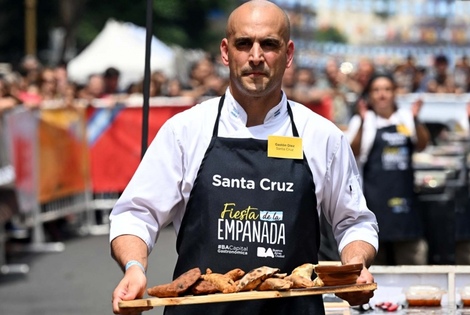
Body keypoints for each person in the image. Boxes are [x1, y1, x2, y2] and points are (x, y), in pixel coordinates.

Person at [110, 1, 378, 315]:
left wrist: (355, 267)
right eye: (243, 44)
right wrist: (133, 267)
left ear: (288, 54)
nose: (255, 56)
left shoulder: (322, 137)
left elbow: (355, 221)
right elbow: (136, 214)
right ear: (226, 52)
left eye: (269, 44)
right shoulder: (185, 130)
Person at [346, 73, 430, 266]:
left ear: (394, 93)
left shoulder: (406, 118)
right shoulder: (362, 121)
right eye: (376, 90)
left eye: (386, 89)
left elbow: (422, 145)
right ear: (369, 95)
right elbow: (352, 152)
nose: (382, 95)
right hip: (374, 203)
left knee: (412, 260)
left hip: (405, 202)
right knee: (376, 264)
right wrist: (361, 120)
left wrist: (416, 120)